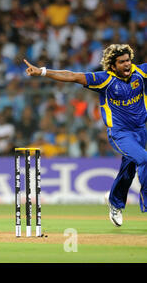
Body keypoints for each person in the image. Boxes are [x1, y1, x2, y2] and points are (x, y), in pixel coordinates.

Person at [24, 44, 147, 227]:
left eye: (128, 60)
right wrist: (42, 72)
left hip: (141, 131)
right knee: (144, 159)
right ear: (112, 66)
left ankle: (114, 201)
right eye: (121, 62)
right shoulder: (104, 80)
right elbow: (71, 76)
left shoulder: (141, 73)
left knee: (128, 170)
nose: (127, 64)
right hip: (121, 134)